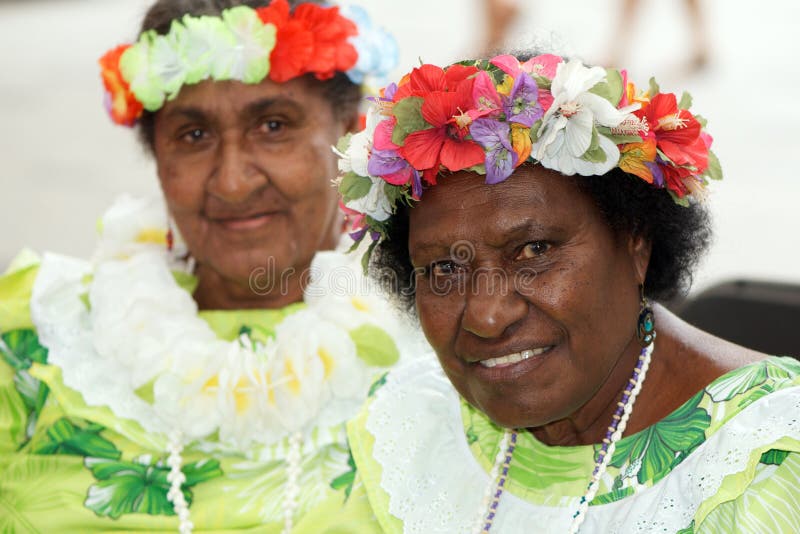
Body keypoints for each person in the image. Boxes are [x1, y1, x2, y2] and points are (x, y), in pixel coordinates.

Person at [330, 52, 800, 532]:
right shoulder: (412, 427)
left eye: (534, 250)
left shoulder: (763, 463)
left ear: (637, 243)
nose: (487, 316)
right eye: (445, 268)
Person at [0, 1, 418, 532]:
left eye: (273, 125)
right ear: (156, 155)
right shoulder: (33, 338)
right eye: (193, 135)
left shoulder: (446, 350)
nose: (232, 182)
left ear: (350, 130)